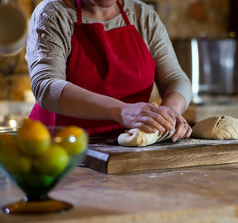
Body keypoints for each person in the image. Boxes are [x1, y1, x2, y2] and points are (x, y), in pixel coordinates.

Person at [25, 0, 192, 142]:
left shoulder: (142, 15)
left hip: (125, 148)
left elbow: (174, 78)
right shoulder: (53, 13)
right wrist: (121, 110)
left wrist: (170, 112)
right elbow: (46, 86)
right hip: (58, 147)